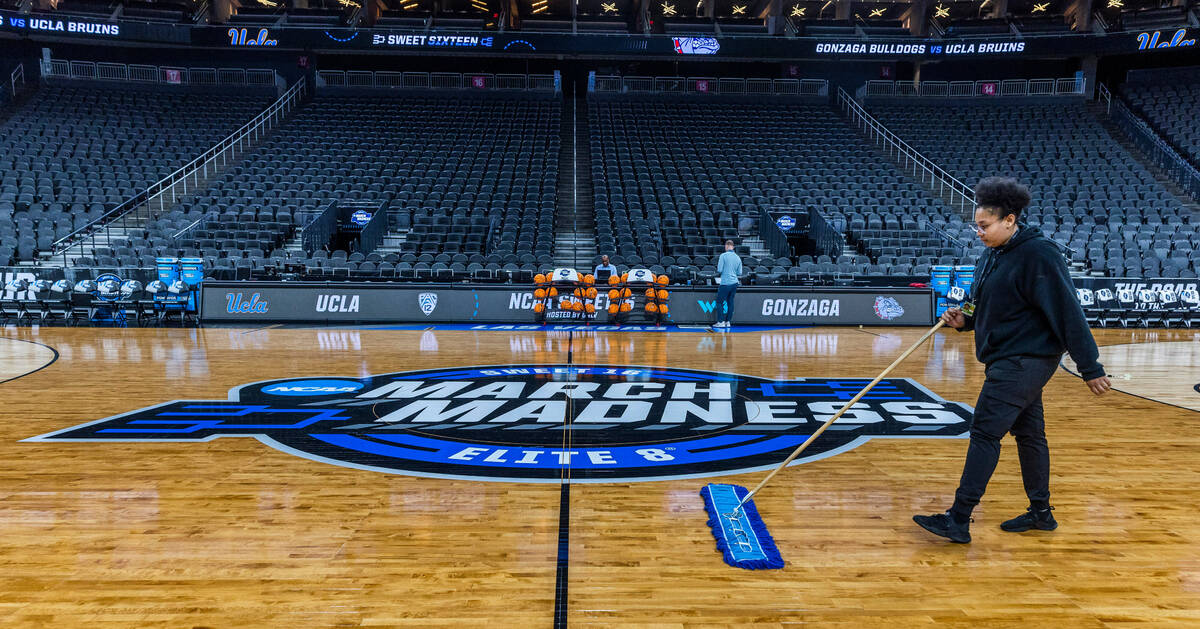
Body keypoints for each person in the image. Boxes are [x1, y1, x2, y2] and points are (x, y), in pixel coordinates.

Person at [913, 177, 1111, 544]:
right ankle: (1041, 513)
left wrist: (1090, 367)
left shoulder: (1040, 254)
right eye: (977, 225)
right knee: (1030, 434)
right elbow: (982, 301)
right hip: (1008, 357)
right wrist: (965, 320)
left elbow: (1068, 311)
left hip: (1026, 360)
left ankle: (958, 518)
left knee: (985, 432)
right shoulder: (992, 253)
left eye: (985, 226)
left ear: (1010, 220)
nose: (979, 232)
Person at [714, 240, 742, 328]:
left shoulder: (723, 256)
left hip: (725, 283)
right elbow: (740, 273)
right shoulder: (738, 258)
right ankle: (728, 322)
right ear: (733, 247)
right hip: (734, 283)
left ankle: (720, 322)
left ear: (726, 246)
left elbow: (719, 270)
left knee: (719, 302)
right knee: (730, 302)